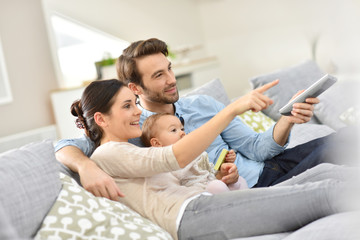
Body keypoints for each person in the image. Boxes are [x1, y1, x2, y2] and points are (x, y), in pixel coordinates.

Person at [54, 38, 352, 200]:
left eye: (169, 69)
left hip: (275, 166)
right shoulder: (131, 126)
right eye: (159, 75)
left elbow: (257, 148)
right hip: (252, 190)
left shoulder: (202, 104)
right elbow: (66, 144)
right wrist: (85, 166)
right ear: (135, 88)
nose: (172, 80)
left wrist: (288, 120)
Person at [71, 79, 358, 240]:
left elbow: (179, 172)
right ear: (101, 119)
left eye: (135, 104)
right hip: (192, 216)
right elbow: (176, 156)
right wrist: (231, 110)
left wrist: (221, 178)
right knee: (326, 193)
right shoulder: (107, 153)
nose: (137, 112)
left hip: (205, 203)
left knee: (326, 173)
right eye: (127, 106)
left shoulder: (131, 149)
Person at [141, 112, 248, 193]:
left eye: (182, 129)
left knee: (239, 181)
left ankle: (248, 210)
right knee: (217, 186)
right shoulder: (165, 165)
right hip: (197, 196)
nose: (182, 133)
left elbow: (212, 175)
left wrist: (223, 173)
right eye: (174, 130)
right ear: (157, 143)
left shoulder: (197, 154)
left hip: (213, 185)